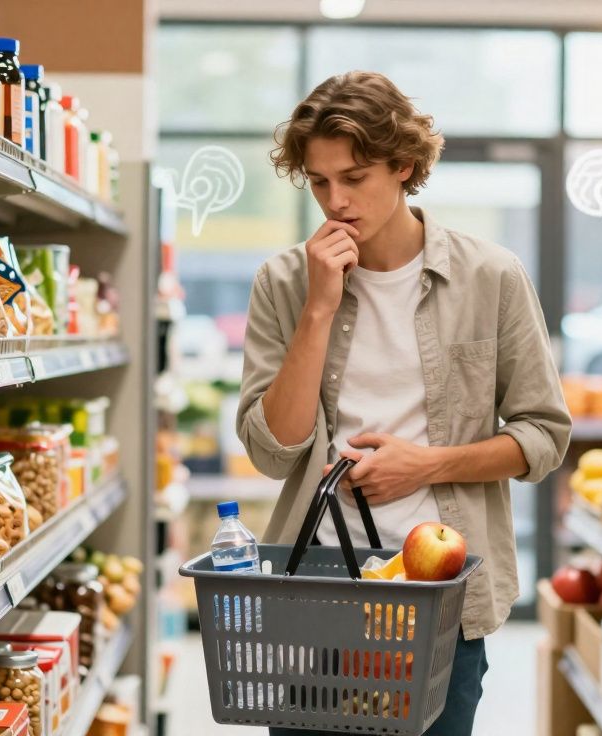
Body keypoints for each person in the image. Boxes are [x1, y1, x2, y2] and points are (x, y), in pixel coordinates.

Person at [236, 70, 573, 735]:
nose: (335, 201)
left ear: (405, 166)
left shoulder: (490, 276)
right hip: (317, 596)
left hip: (439, 602)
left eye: (354, 177)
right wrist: (319, 307)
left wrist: (426, 465)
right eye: (319, 182)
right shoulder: (284, 281)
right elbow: (273, 453)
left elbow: (542, 437)